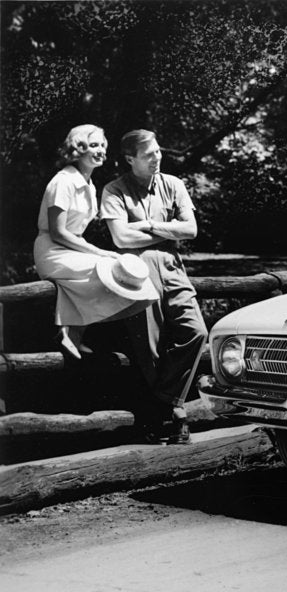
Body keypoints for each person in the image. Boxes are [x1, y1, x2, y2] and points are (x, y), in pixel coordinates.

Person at [101, 129, 207, 445]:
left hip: (173, 268)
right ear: (130, 159)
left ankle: (164, 401)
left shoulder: (173, 184)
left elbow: (191, 229)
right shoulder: (113, 190)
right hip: (135, 271)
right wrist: (168, 230)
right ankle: (173, 416)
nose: (157, 158)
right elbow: (121, 239)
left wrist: (146, 225)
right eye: (149, 155)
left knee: (196, 331)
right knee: (148, 344)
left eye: (158, 151)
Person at [33, 125, 158, 360]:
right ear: (78, 149)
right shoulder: (64, 181)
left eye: (102, 145)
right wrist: (99, 252)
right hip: (52, 250)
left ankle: (72, 332)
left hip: (71, 249)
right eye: (93, 145)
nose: (100, 150)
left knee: (127, 271)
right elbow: (58, 233)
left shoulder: (89, 185)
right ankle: (71, 333)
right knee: (110, 269)